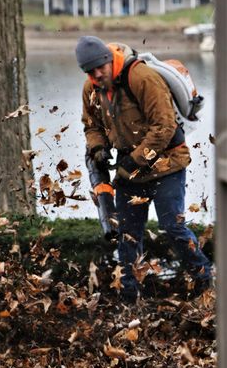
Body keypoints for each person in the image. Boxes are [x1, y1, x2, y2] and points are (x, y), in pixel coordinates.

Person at [76, 35, 212, 303]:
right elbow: (91, 125)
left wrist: (135, 160)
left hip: (167, 163)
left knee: (172, 227)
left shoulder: (142, 77)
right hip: (130, 171)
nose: (96, 74)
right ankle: (129, 298)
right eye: (90, 71)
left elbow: (165, 127)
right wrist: (98, 148)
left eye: (99, 68)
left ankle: (204, 280)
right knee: (127, 236)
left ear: (108, 59)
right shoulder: (90, 88)